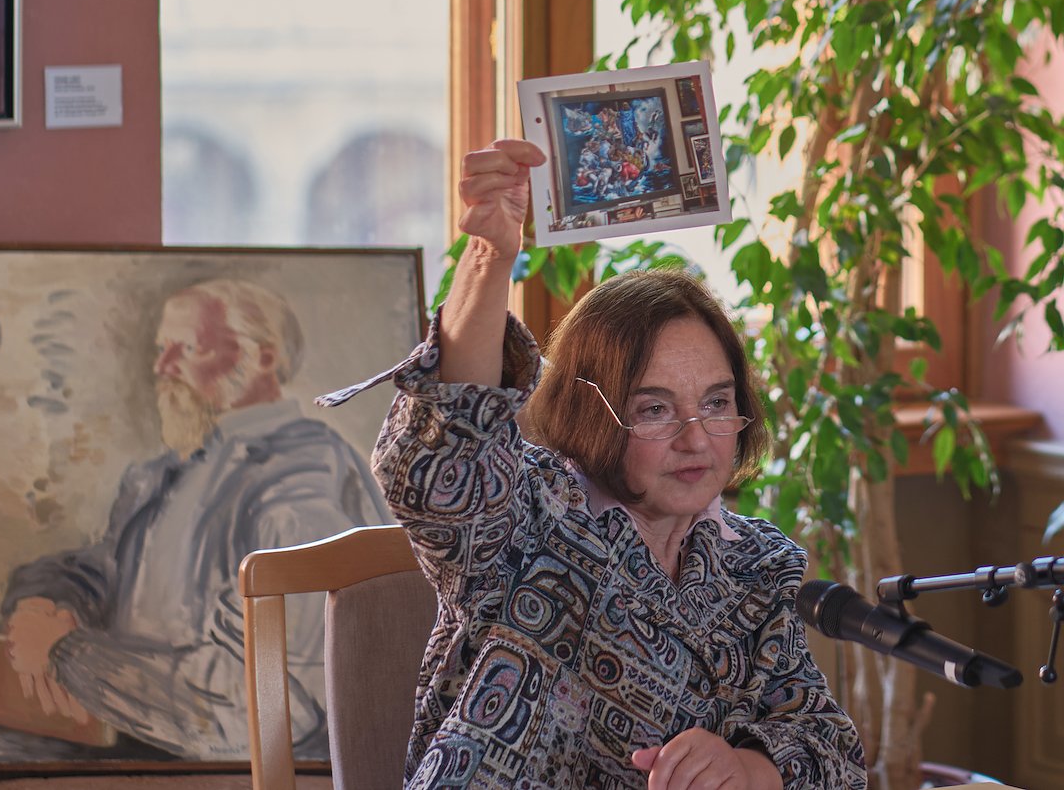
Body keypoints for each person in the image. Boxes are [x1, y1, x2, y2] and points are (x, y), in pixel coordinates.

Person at [323, 139, 866, 788]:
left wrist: (746, 768)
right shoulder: (530, 519)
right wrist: (491, 256)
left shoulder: (754, 565)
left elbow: (829, 747)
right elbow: (443, 464)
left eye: (717, 403)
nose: (697, 440)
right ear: (591, 412)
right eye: (655, 409)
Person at [0, 278, 393, 760]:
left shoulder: (303, 482)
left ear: (264, 358)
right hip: (138, 746)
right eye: (162, 348)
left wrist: (68, 652)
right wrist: (41, 601)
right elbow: (104, 569)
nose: (161, 367)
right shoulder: (163, 472)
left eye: (187, 348)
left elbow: (265, 705)